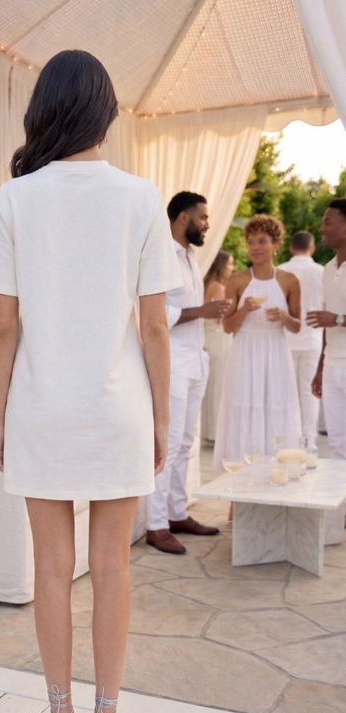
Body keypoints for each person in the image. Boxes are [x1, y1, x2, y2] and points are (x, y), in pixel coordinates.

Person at [0, 50, 181, 713]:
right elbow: (154, 327)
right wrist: (160, 416)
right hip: (115, 409)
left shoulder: (14, 198)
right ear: (104, 110)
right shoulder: (139, 197)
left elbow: (5, 326)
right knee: (114, 569)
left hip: (41, 411)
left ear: (44, 108)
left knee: (55, 574)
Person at [146, 192, 231, 555]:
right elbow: (155, 315)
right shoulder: (160, 254)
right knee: (167, 443)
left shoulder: (192, 256)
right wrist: (202, 311)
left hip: (196, 361)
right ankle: (156, 525)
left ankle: (178, 512)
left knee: (185, 443)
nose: (208, 224)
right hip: (172, 364)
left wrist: (208, 311)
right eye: (204, 217)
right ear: (183, 217)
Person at [213, 214, 301, 467]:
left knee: (275, 408)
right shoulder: (237, 280)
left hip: (275, 353)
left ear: (276, 245)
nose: (255, 248)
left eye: (262, 241)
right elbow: (228, 326)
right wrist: (243, 311)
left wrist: (284, 317)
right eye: (251, 242)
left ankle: (276, 476)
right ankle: (238, 487)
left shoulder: (290, 281)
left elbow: (297, 326)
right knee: (243, 410)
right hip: (244, 353)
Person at [308, 199, 346, 459]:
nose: (321, 228)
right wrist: (320, 368)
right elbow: (325, 323)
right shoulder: (327, 270)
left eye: (328, 222)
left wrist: (339, 320)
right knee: (338, 445)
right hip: (332, 365)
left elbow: (332, 318)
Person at [278, 231, 323, 448]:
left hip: (287, 336)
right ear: (311, 248)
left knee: (287, 390)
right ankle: (309, 440)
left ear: (291, 247)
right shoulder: (322, 272)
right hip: (313, 339)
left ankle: (288, 438)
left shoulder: (282, 271)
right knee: (309, 391)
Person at [201, 250, 235, 442]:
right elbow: (222, 318)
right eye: (230, 264)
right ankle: (215, 432)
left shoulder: (207, 283)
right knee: (218, 385)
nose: (232, 268)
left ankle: (210, 430)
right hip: (218, 337)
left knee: (212, 385)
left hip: (209, 337)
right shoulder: (218, 287)